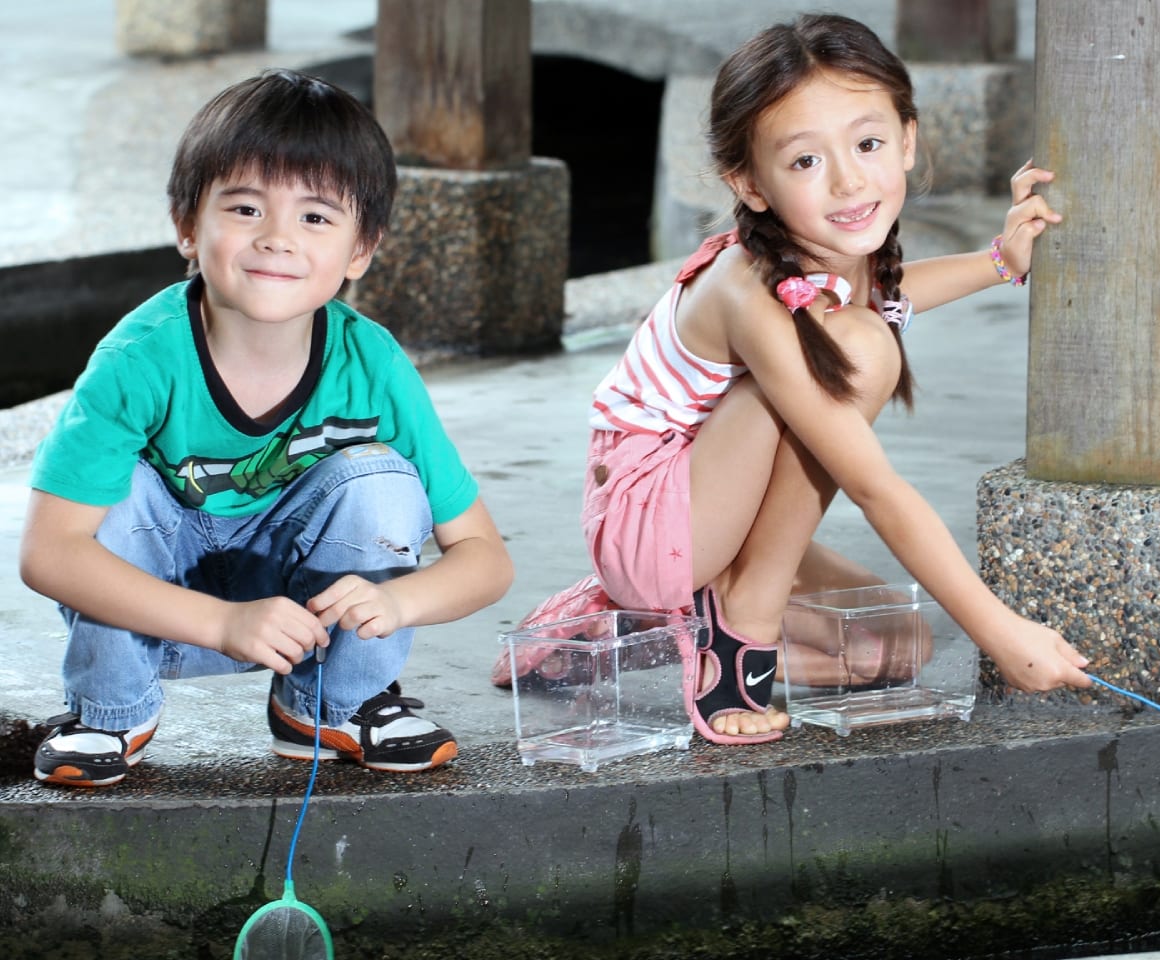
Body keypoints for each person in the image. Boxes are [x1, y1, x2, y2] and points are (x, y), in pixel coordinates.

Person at [497, 12, 1091, 744]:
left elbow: (895, 291)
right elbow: (874, 485)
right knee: (865, 350)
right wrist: (1000, 629)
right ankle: (738, 623)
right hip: (653, 520)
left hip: (712, 508)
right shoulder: (747, 288)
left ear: (908, 139)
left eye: (868, 143)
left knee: (896, 648)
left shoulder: (832, 249)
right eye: (805, 162)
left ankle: (630, 639)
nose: (847, 180)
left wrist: (1000, 260)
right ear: (749, 182)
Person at [20, 69, 514, 787]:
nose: (278, 239)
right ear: (188, 225)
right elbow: (48, 554)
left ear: (360, 251)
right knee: (109, 490)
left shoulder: (370, 362)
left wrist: (395, 600)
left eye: (315, 217)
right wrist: (223, 624)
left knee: (380, 478)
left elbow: (485, 558)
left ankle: (334, 703)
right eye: (246, 209)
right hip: (157, 604)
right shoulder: (138, 359)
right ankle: (110, 709)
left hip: (305, 615)